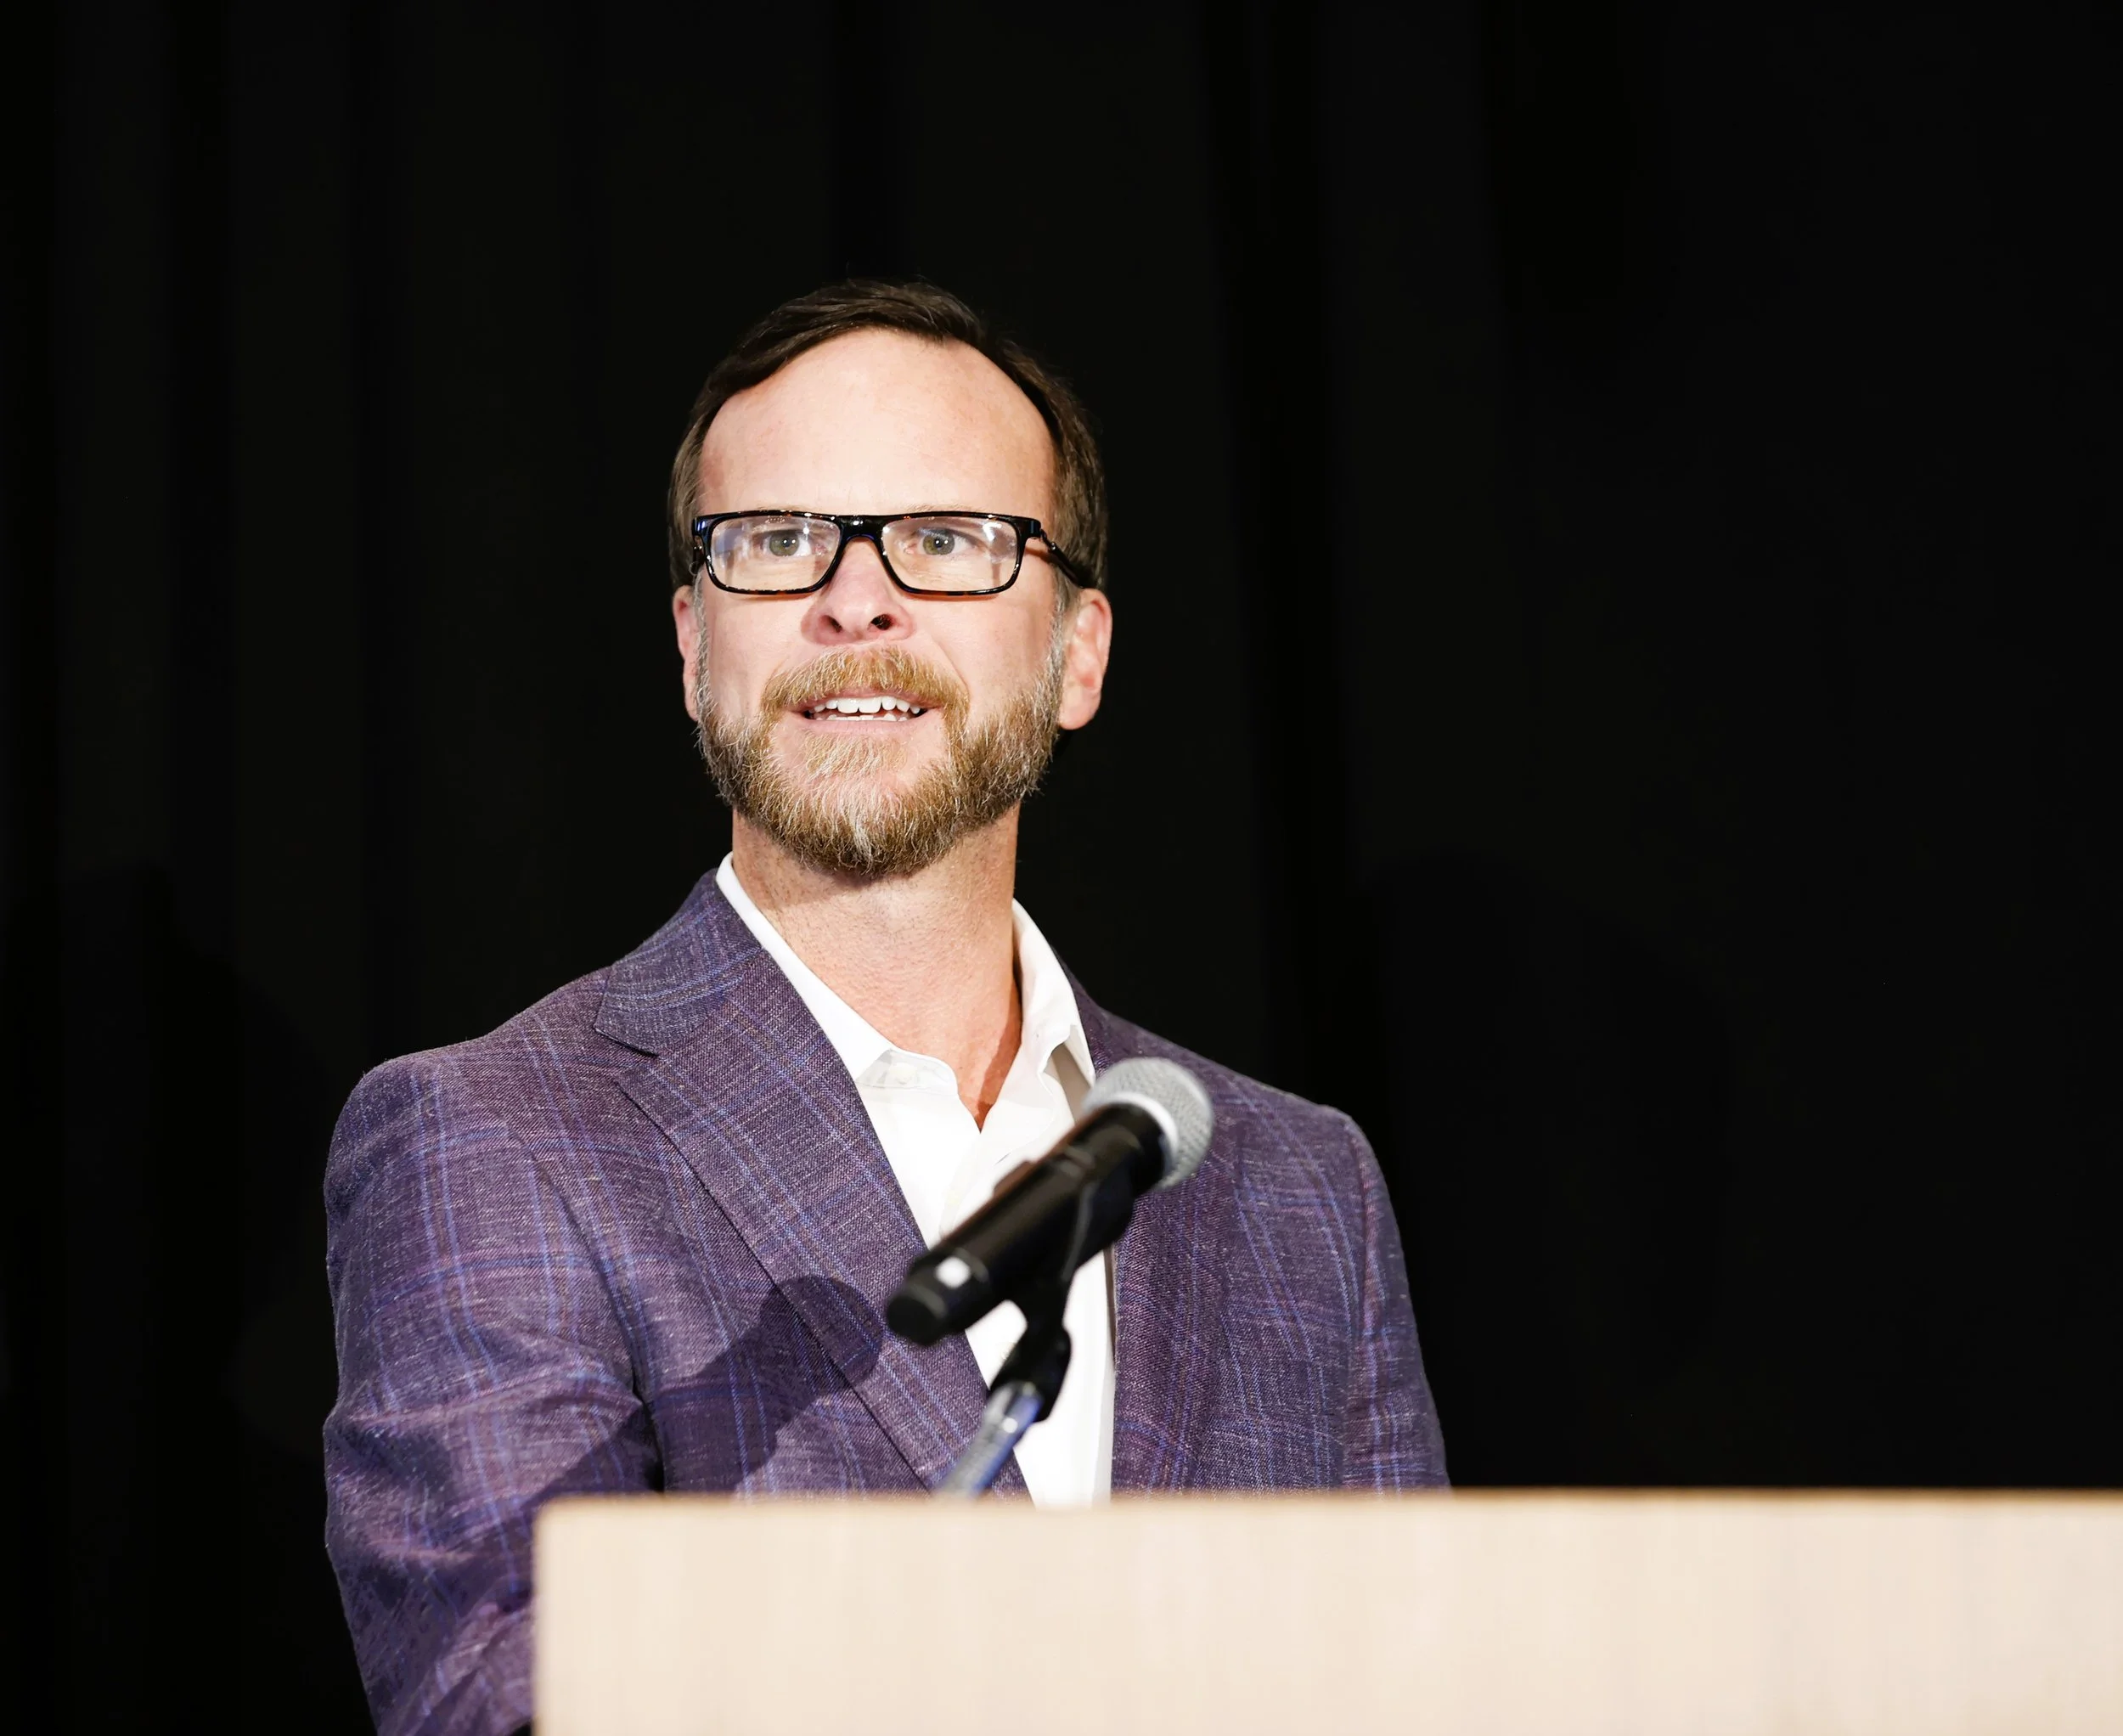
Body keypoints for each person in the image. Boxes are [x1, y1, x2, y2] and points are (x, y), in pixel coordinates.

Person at [323, 281, 1447, 1736]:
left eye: (949, 540)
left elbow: (1419, 1687)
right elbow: (511, 1704)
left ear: (1079, 653)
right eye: (777, 540)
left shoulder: (1300, 1184)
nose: (855, 600)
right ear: (692, 647)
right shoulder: (495, 1139)